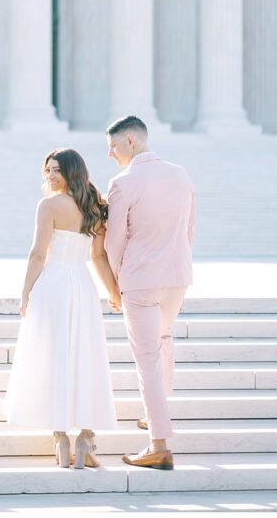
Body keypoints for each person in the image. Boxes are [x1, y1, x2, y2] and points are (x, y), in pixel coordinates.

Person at [4, 148, 119, 469]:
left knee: (54, 356)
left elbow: (37, 254)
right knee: (84, 355)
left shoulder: (49, 205)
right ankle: (85, 439)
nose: (50, 176)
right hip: (81, 285)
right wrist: (112, 291)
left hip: (52, 285)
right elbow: (96, 256)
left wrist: (25, 292)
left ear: (71, 171)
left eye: (56, 170)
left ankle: (62, 438)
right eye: (48, 170)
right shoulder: (94, 206)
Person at [104, 115, 196, 472]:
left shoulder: (123, 182)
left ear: (130, 141)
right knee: (164, 339)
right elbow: (190, 230)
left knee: (146, 360)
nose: (110, 154)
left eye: (112, 146)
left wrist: (114, 285)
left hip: (141, 279)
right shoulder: (181, 174)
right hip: (177, 276)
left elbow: (114, 242)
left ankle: (158, 445)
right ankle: (155, 418)